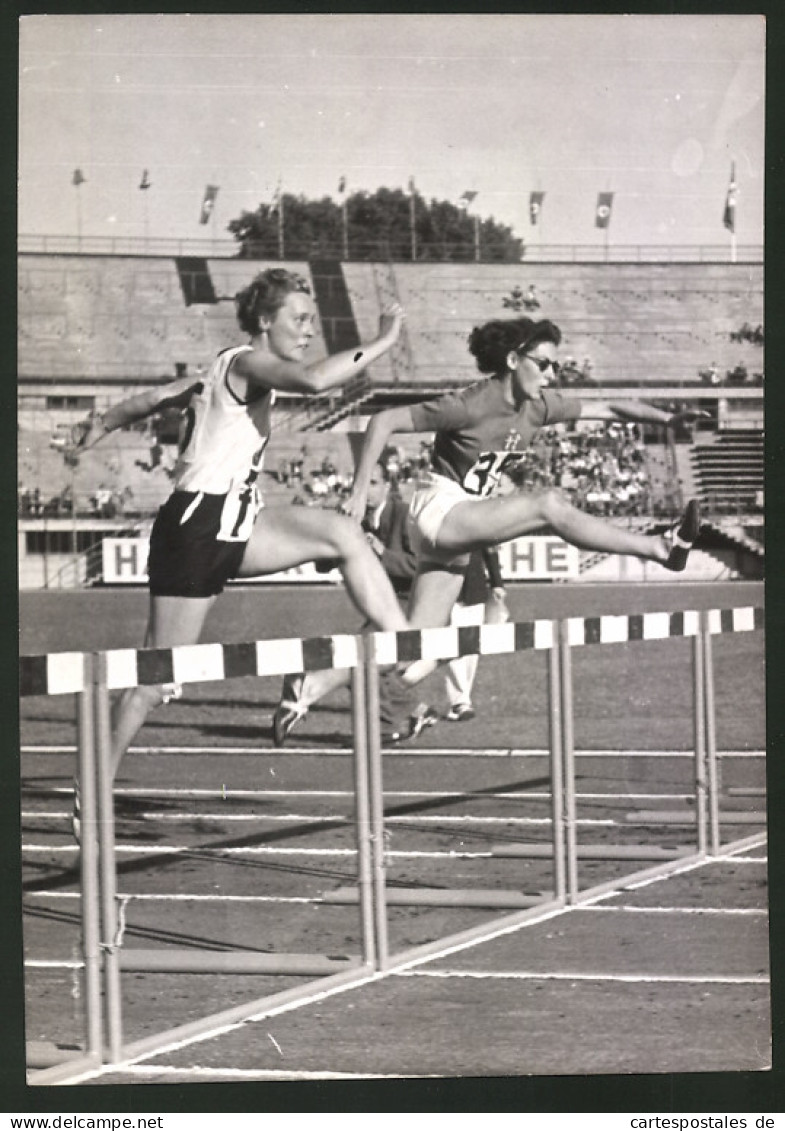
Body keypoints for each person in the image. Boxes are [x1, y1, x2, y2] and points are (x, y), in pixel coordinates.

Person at [69, 267, 410, 782]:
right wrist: (384, 341)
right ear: (265, 320)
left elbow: (159, 395)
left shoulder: (221, 370)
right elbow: (315, 380)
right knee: (156, 678)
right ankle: (91, 786)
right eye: (299, 320)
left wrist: (103, 423)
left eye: (312, 321)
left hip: (233, 524)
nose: (309, 330)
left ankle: (404, 640)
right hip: (197, 529)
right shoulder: (249, 363)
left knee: (343, 533)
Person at [338, 315, 704, 740]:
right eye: (544, 364)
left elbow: (611, 406)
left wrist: (667, 421)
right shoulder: (470, 403)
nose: (552, 375)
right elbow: (382, 420)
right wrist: (358, 488)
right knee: (548, 503)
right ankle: (661, 548)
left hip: (461, 525)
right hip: (438, 509)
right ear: (513, 359)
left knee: (419, 648)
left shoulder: (538, 406)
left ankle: (363, 691)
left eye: (556, 367)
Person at [272, 463, 506, 742]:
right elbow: (323, 566)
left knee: (362, 660)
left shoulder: (407, 516)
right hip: (385, 609)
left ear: (387, 486)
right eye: (360, 485)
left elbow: (426, 568)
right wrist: (333, 533)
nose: (366, 491)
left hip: (419, 608)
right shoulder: (353, 517)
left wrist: (383, 553)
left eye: (373, 482)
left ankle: (304, 692)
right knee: (361, 662)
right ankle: (408, 717)